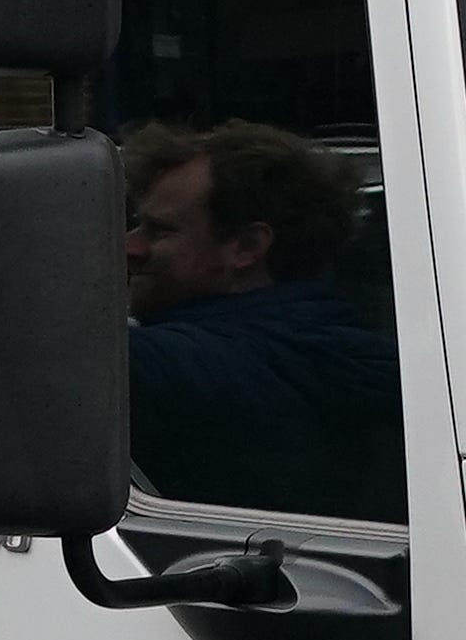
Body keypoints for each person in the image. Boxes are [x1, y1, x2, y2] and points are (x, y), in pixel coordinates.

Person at [117, 116, 402, 521]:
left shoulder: (180, 367)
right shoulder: (342, 350)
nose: (131, 246)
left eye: (159, 231)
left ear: (247, 247)